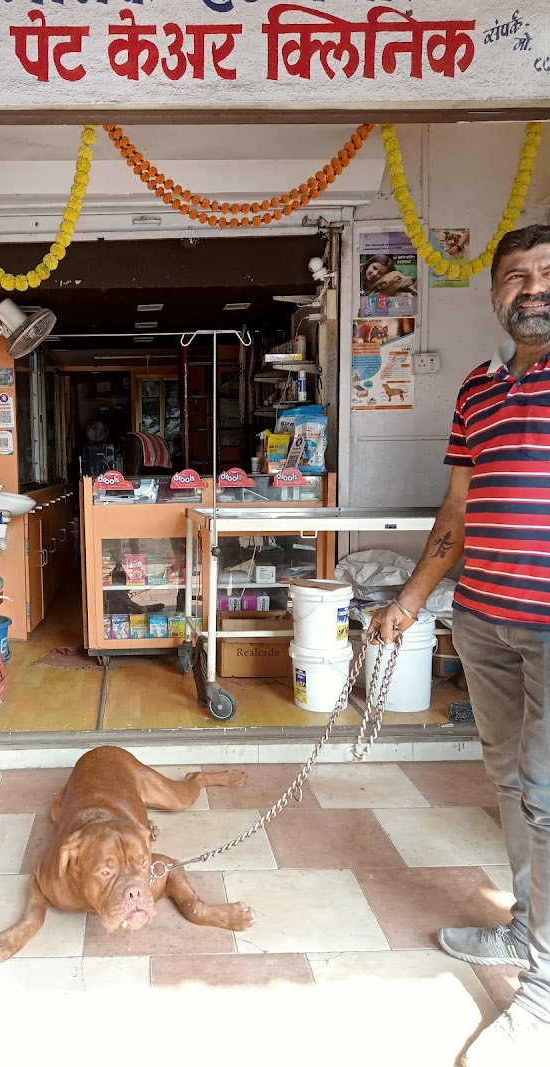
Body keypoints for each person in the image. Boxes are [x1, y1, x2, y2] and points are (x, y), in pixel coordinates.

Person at [369, 224, 550, 1064]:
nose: (532, 288)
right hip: (482, 619)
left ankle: (542, 994)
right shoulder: (478, 389)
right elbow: (457, 512)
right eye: (516, 276)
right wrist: (409, 603)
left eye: (546, 273)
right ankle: (524, 925)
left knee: (546, 792)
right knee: (512, 783)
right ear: (493, 293)